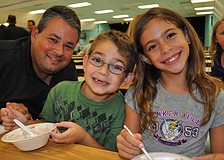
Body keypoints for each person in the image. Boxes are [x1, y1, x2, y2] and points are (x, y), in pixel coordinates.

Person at [116, 7, 224, 159]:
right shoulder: (138, 92)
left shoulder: (215, 96)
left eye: (171, 35)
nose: (165, 48)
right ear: (145, 58)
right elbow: (130, 143)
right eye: (152, 46)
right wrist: (126, 145)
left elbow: (219, 154)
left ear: (186, 36)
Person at [1, 30, 136, 151]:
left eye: (117, 67)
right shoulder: (61, 90)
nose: (103, 71)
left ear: (126, 79)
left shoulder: (122, 107)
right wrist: (25, 124)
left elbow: (110, 154)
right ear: (85, 62)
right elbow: (46, 124)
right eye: (97, 60)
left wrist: (82, 137)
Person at [0, 5, 81, 122]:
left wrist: (32, 123)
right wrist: (3, 114)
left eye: (68, 46)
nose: (59, 52)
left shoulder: (68, 69)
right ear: (35, 34)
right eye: (53, 40)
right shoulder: (3, 57)